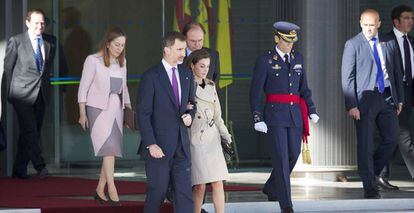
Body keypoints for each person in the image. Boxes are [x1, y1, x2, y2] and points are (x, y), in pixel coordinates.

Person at [250, 21, 318, 213]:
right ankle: (286, 204)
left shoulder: (298, 58)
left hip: (295, 115)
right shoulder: (265, 60)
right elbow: (255, 91)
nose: (290, 45)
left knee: (293, 154)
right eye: (286, 41)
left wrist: (311, 109)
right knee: (281, 158)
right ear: (276, 39)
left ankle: (272, 186)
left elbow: (303, 87)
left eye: (292, 41)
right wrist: (257, 117)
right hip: (275, 115)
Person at [341, 9, 403, 199]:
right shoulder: (353, 44)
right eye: (365, 24)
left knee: (392, 138)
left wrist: (399, 98)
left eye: (372, 25)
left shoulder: (388, 42)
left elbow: (396, 73)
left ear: (379, 24)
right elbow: (347, 77)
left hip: (386, 97)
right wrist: (351, 104)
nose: (368, 28)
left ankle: (371, 172)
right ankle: (369, 186)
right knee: (365, 144)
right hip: (364, 100)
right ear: (361, 23)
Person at [137, 31, 196, 213]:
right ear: (166, 50)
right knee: (158, 191)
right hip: (158, 147)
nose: (182, 53)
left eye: (184, 49)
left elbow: (191, 104)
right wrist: (151, 144)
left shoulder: (187, 74)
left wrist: (190, 116)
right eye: (179, 49)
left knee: (184, 193)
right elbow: (143, 113)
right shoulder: (151, 76)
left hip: (182, 145)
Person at [78, 27, 131, 205]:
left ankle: (100, 190)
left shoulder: (122, 63)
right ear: (107, 44)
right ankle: (112, 188)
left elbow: (125, 89)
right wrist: (82, 113)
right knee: (107, 148)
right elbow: (83, 88)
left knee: (112, 151)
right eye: (116, 45)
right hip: (97, 109)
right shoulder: (93, 60)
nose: (119, 48)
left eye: (122, 45)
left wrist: (128, 110)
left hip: (117, 109)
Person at [4, 9, 56, 179]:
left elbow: (45, 70)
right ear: (27, 23)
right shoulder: (16, 41)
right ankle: (40, 166)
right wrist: (10, 93)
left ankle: (19, 170)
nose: (40, 26)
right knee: (30, 131)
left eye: (42, 23)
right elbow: (8, 69)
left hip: (41, 94)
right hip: (21, 94)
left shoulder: (51, 42)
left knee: (31, 132)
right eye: (36, 23)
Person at [186, 49, 232, 213]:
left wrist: (226, 135)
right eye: (201, 66)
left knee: (218, 182)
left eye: (208, 66)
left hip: (212, 139)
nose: (205, 70)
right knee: (199, 185)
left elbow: (218, 115)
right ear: (192, 66)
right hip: (196, 137)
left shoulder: (211, 86)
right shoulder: (186, 86)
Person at [378, 5, 414, 190]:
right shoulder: (385, 40)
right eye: (406, 18)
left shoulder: (411, 42)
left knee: (393, 136)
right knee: (403, 135)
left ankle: (380, 174)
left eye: (412, 18)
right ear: (396, 21)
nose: (410, 21)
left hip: (409, 93)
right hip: (393, 95)